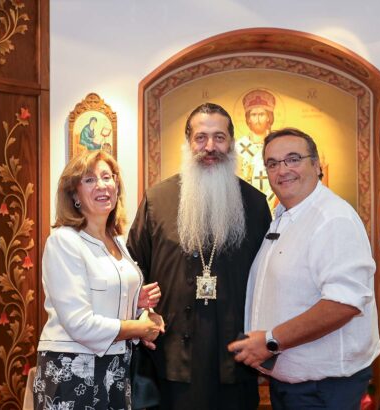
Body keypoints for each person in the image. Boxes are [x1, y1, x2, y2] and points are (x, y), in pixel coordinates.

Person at [127, 102, 271, 409]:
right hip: (170, 358)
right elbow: (132, 271)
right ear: (188, 142)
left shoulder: (255, 204)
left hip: (236, 357)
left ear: (231, 143)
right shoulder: (158, 200)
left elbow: (270, 279)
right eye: (201, 137)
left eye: (219, 137)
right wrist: (141, 316)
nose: (210, 147)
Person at [229, 128, 380, 410]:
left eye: (293, 159)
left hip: (323, 390)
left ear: (316, 165)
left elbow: (343, 304)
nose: (282, 170)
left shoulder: (332, 218)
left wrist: (271, 341)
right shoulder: (285, 217)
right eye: (273, 163)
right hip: (293, 386)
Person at [34, 150, 164, 410]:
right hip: (71, 369)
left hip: (116, 367)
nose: (102, 185)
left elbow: (109, 299)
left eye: (107, 177)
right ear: (74, 195)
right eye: (90, 180)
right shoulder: (63, 241)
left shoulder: (117, 241)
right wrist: (139, 328)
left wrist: (139, 307)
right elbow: (79, 323)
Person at [236, 89, 277, 207]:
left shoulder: (277, 144)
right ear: (248, 118)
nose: (257, 120)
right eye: (254, 115)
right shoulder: (238, 147)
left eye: (261, 115)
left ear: (269, 117)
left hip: (276, 201)